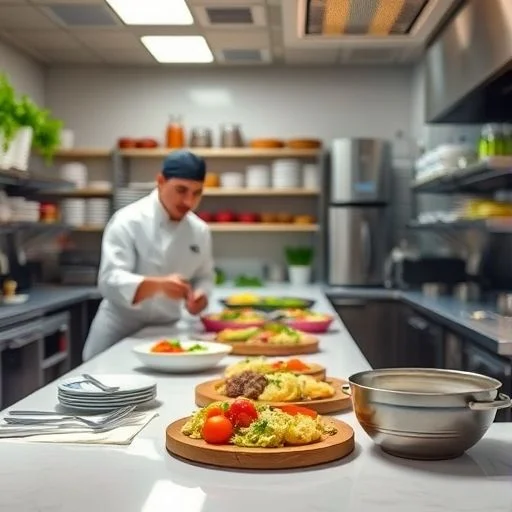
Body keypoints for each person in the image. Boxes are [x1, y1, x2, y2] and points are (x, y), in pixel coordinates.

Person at [82, 150, 215, 361]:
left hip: (166, 332)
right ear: (160, 181)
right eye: (181, 190)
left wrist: (201, 296)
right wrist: (158, 285)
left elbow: (204, 276)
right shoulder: (128, 220)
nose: (189, 201)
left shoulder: (199, 230)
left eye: (197, 193)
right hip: (119, 329)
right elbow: (109, 280)